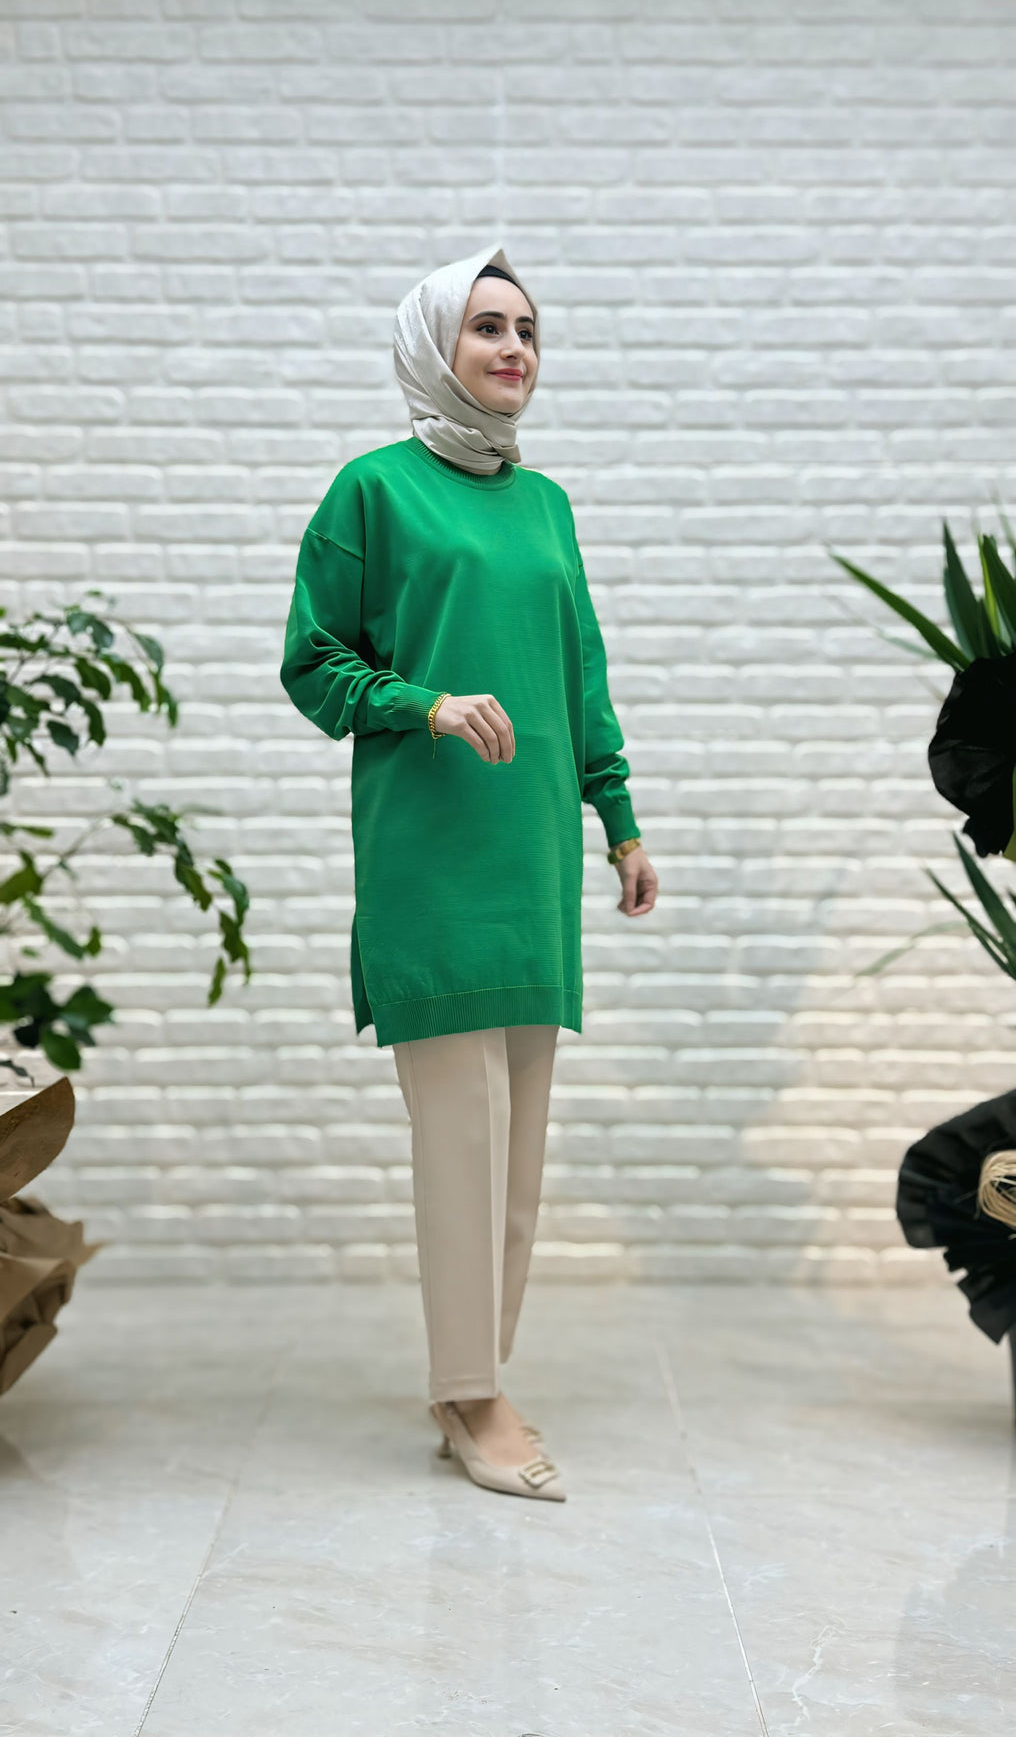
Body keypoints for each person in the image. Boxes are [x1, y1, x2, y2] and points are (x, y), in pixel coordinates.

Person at [279, 241, 658, 1501]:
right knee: (460, 1140)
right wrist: (425, 704)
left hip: (532, 856)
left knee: (517, 1154)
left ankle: (469, 1379)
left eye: (527, 330)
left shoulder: (545, 505)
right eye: (487, 326)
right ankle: (471, 1395)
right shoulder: (371, 493)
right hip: (430, 860)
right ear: (433, 343)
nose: (513, 349)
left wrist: (617, 818)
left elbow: (579, 669)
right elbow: (312, 663)